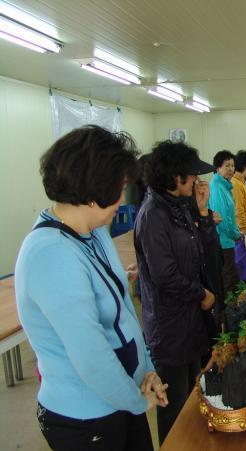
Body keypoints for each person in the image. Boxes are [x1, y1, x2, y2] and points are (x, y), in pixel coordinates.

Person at [15, 125, 165, 451]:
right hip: (86, 417)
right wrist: (137, 401)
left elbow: (124, 311)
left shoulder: (94, 232)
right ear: (94, 190)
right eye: (119, 188)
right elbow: (91, 355)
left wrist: (146, 370)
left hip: (123, 396)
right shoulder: (50, 253)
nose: (122, 200)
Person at [134, 140, 216, 444]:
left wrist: (202, 210)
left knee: (194, 396)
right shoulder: (153, 215)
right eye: (191, 175)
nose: (196, 180)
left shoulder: (179, 206)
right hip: (170, 326)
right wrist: (201, 294)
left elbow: (201, 254)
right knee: (175, 407)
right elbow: (164, 275)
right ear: (173, 176)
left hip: (190, 320)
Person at [209, 150, 241, 294]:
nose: (231, 169)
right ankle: (227, 307)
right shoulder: (217, 187)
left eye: (232, 166)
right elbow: (221, 219)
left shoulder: (224, 185)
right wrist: (235, 234)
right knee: (227, 281)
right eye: (227, 165)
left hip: (227, 240)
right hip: (223, 241)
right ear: (217, 167)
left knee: (231, 277)